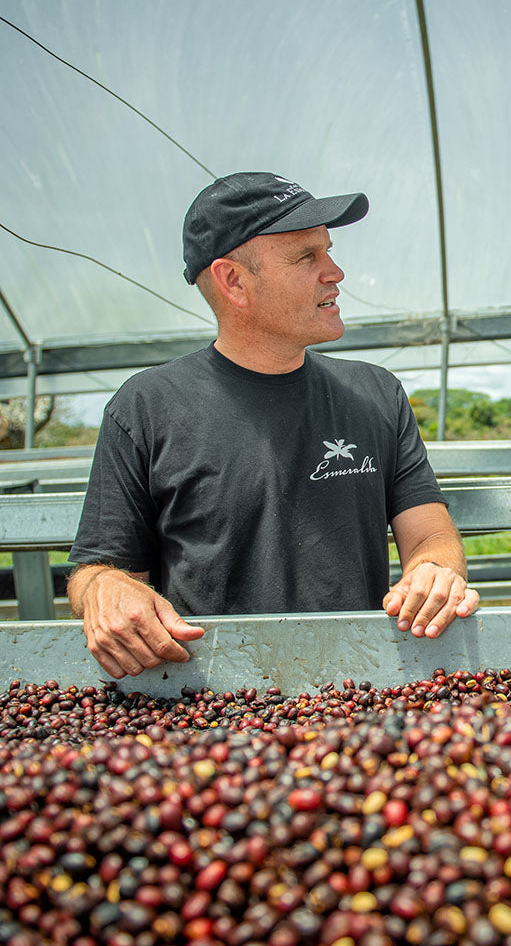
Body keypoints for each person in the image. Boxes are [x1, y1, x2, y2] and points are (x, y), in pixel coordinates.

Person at [68, 171, 479, 678]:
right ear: (233, 281)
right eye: (307, 257)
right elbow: (99, 569)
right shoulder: (146, 406)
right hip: (210, 699)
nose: (335, 272)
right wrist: (103, 589)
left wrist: (435, 570)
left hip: (360, 685)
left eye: (327, 250)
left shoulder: (376, 394)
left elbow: (429, 536)